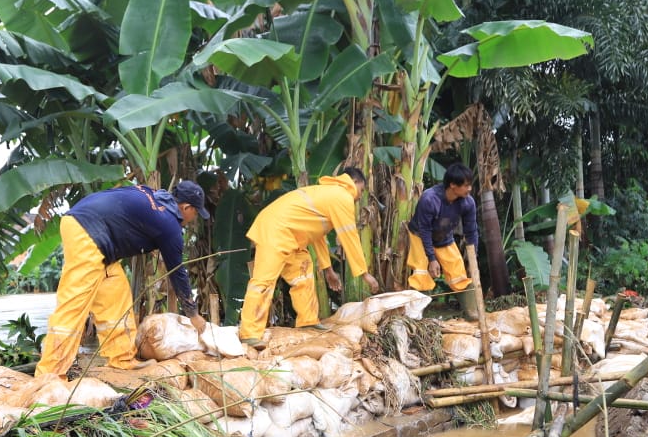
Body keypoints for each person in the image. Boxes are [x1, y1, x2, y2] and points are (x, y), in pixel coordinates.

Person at [34, 181, 208, 378]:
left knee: (116, 296)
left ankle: (121, 359)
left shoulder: (153, 195)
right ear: (186, 207)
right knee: (74, 306)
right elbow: (178, 273)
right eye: (195, 213)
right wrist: (193, 314)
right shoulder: (169, 225)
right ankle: (50, 374)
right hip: (87, 231)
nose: (194, 219)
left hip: (94, 234)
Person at [238, 167, 380, 346]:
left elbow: (317, 234)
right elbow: (349, 235)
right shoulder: (342, 196)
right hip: (276, 231)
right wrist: (364, 273)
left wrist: (328, 270)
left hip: (291, 236)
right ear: (356, 182)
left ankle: (308, 322)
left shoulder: (329, 194)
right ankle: (249, 333)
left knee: (303, 276)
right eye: (361, 190)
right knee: (263, 282)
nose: (359, 196)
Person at [405, 162, 480, 321]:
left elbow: (471, 230)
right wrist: (431, 258)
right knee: (421, 273)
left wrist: (474, 257)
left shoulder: (468, 203)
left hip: (444, 238)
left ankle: (472, 313)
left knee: (458, 274)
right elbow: (425, 230)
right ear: (453, 185)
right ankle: (416, 318)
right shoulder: (430, 199)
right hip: (420, 236)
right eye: (466, 186)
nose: (469, 189)